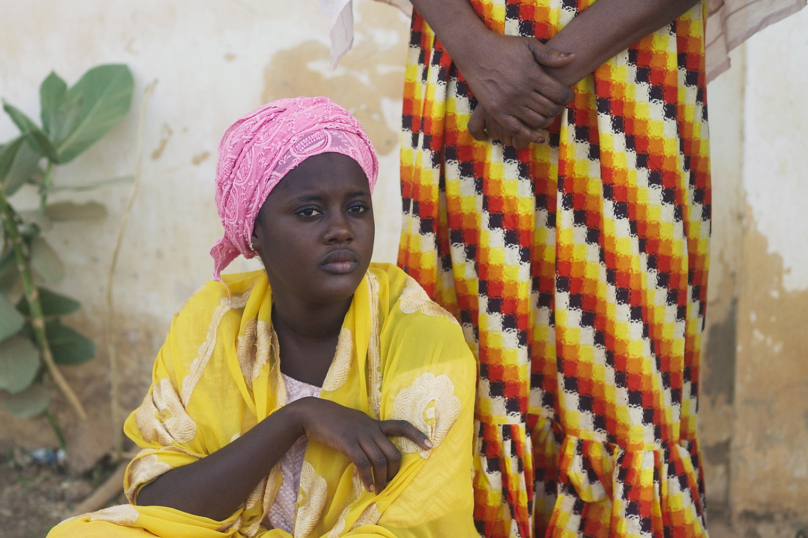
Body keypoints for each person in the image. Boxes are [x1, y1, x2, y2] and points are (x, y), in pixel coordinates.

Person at [48, 96, 478, 538]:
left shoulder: (421, 335)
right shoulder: (214, 320)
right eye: (309, 212)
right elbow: (162, 502)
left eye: (356, 208)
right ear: (255, 230)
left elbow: (416, 522)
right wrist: (297, 418)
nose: (341, 229)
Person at [396, 1, 712, 537]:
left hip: (630, 78)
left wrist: (535, 77)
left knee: (626, 378)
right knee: (466, 363)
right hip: (466, 65)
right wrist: (473, 48)